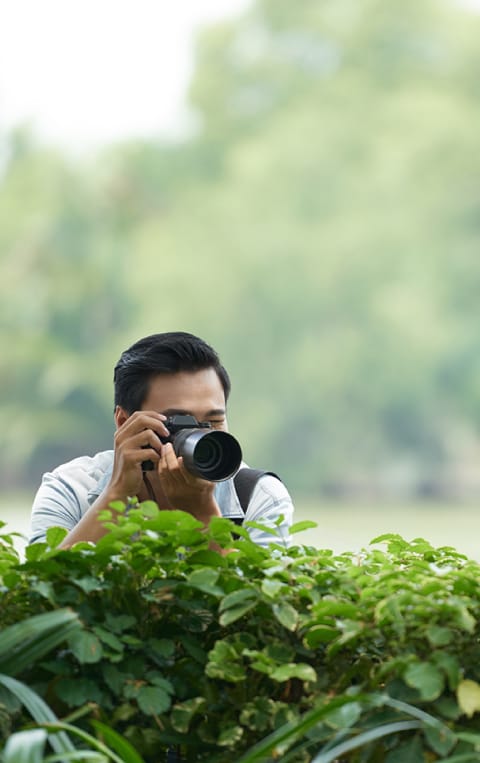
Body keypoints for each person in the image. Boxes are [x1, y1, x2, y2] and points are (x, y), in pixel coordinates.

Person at [29, 331, 294, 548]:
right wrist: (116, 493)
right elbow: (44, 597)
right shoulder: (70, 490)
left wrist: (203, 515)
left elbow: (255, 610)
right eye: (179, 422)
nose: (202, 437)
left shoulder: (259, 497)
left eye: (213, 422)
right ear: (124, 422)